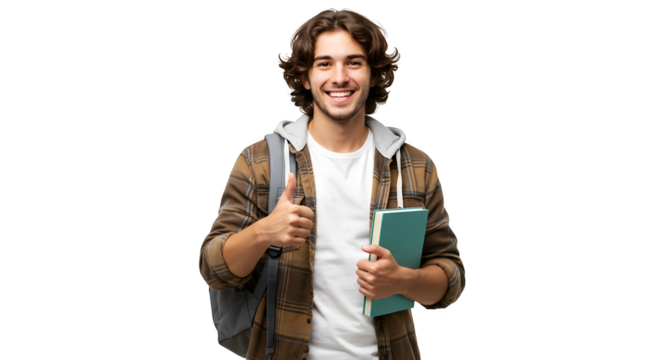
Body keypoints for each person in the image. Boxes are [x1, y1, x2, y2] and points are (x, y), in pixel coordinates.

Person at [199, 6, 465, 360]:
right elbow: (213, 269)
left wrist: (402, 280)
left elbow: (450, 279)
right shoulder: (259, 161)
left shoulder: (415, 166)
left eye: (354, 62)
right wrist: (263, 232)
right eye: (324, 63)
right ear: (305, 77)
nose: (339, 77)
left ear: (373, 74)